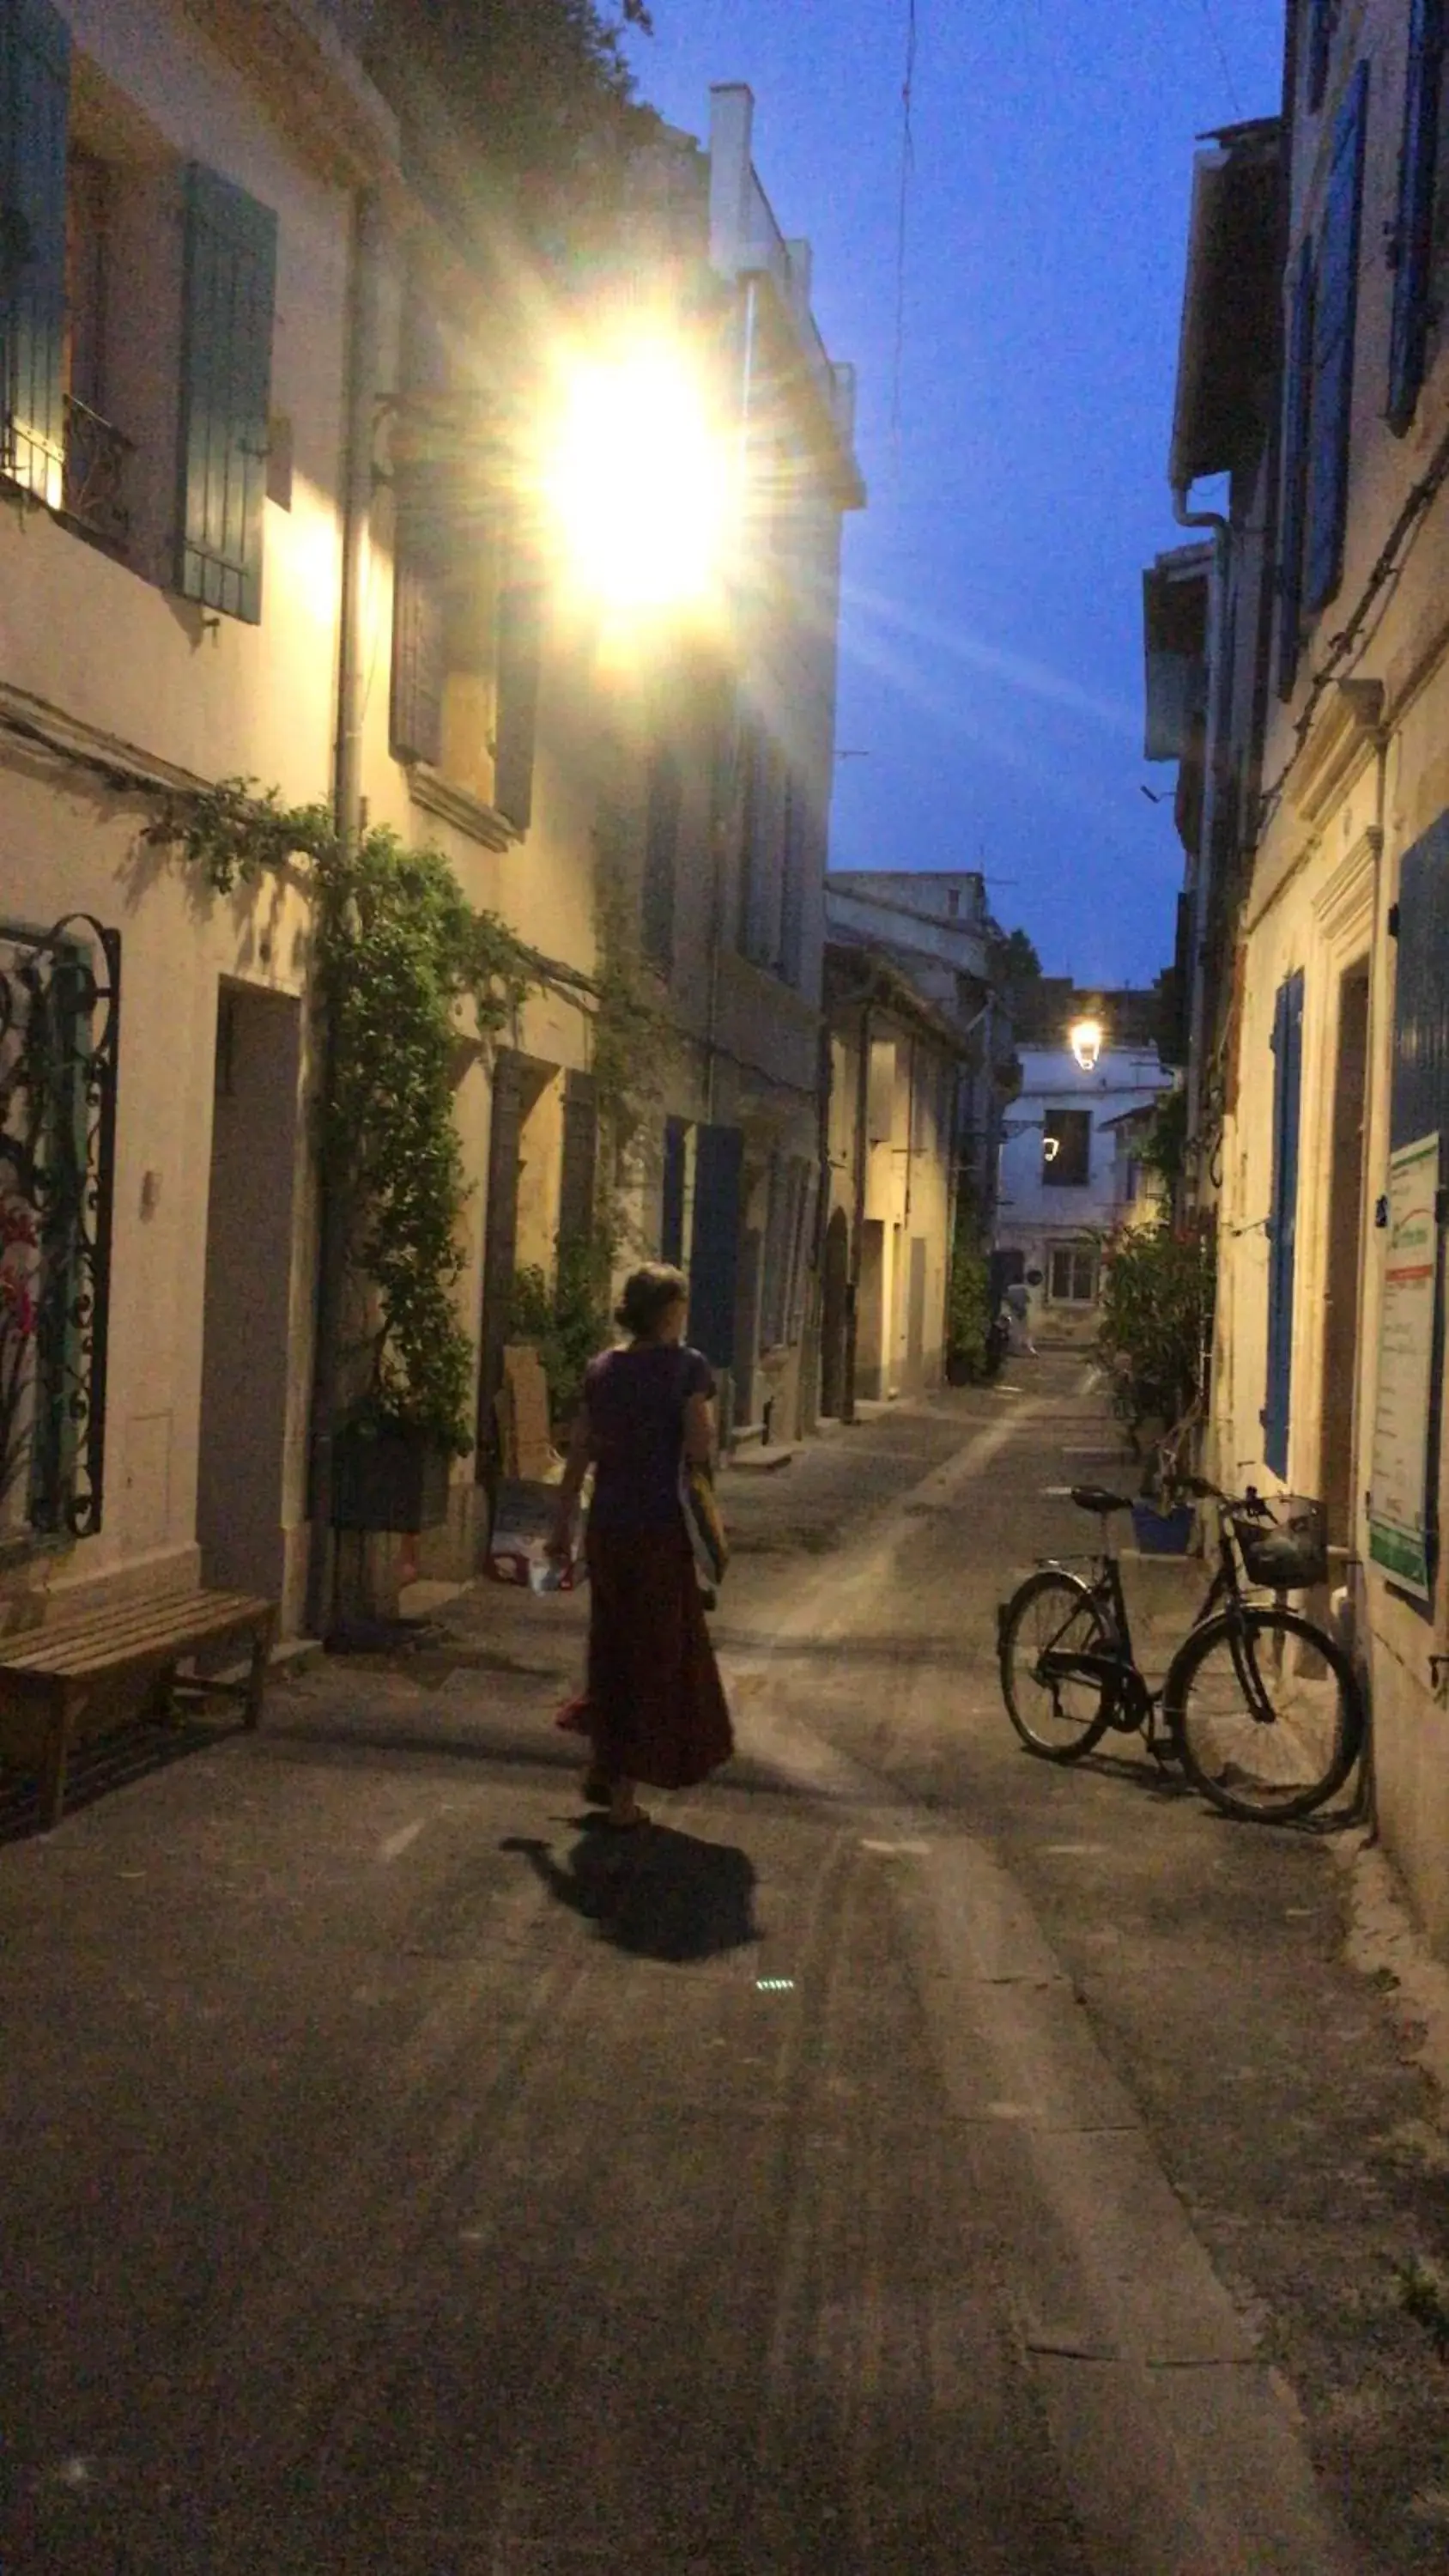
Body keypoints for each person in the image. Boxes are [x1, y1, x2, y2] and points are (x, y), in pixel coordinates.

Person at [547, 1262, 734, 1830]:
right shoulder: (687, 1369)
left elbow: (578, 1452)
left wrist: (561, 1527)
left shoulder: (602, 1370)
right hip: (659, 1529)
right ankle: (623, 1794)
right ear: (670, 1310)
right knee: (655, 1658)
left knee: (611, 1647)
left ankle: (603, 1769)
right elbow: (699, 1447)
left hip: (608, 1527)